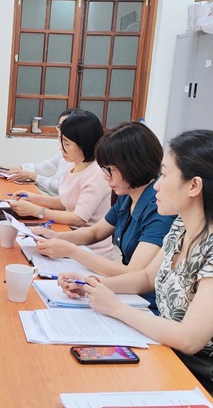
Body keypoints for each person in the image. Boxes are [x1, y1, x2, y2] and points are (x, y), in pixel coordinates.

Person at [60, 130, 213, 408]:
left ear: (194, 185)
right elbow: (148, 277)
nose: (157, 184)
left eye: (164, 174)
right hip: (174, 364)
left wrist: (117, 308)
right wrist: (92, 284)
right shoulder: (182, 228)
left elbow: (189, 339)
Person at [34, 122, 176, 306]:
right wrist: (55, 237)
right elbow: (95, 232)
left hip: (144, 301)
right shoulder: (128, 195)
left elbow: (135, 272)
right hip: (124, 290)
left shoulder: (159, 207)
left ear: (133, 165)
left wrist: (71, 250)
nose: (105, 176)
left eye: (110, 169)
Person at [9, 109, 113, 256]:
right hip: (68, 237)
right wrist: (33, 198)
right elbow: (66, 201)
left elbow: (78, 219)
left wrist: (37, 211)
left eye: (67, 144)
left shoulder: (97, 174)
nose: (61, 148)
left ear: (84, 144)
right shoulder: (74, 165)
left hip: (90, 250)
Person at [0, 108, 80, 195]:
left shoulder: (79, 156)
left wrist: (33, 177)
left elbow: (62, 189)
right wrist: (10, 170)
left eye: (65, 127)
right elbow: (44, 167)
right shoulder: (64, 152)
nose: (61, 131)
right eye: (59, 127)